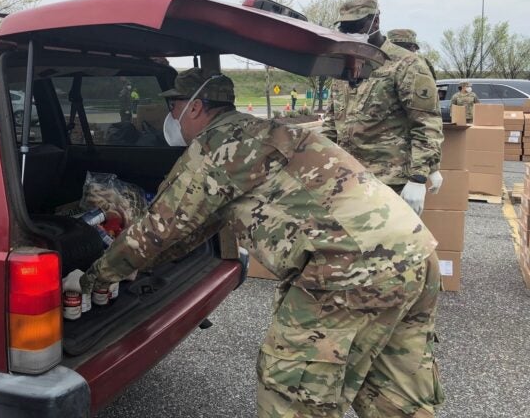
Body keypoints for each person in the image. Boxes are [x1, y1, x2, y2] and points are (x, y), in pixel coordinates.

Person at [82, 68, 443, 418]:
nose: (169, 116)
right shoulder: (264, 131)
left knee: (292, 393)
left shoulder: (216, 146)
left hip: (351, 269)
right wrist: (141, 265)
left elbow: (159, 229)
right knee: (396, 399)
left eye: (173, 107)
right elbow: (194, 229)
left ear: (194, 107)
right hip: (414, 252)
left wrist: (94, 277)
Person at [323, 0, 444, 215]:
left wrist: (419, 176)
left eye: (355, 26)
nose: (349, 32)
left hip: (390, 182)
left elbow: (427, 123)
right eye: (345, 27)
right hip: (348, 179)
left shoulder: (406, 64)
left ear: (375, 22)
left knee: (388, 248)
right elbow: (332, 123)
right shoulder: (343, 65)